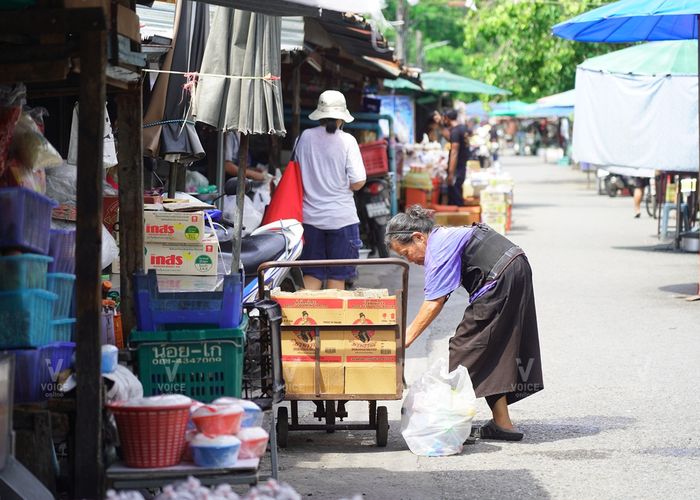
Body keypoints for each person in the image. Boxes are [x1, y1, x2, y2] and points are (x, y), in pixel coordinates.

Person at [385, 206, 543, 441]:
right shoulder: (444, 237)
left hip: (501, 276)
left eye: (406, 252)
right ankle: (503, 424)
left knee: (464, 348)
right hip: (516, 264)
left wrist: (404, 339)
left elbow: (434, 302)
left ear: (418, 237)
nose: (410, 259)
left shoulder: (437, 249)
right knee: (494, 349)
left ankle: (453, 424)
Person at [295, 90, 366, 290]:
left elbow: (298, 174)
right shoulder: (347, 141)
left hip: (310, 219)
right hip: (342, 219)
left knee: (311, 275)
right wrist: (342, 185)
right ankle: (332, 321)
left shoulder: (304, 138)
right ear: (342, 118)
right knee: (337, 278)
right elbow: (359, 181)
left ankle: (307, 320)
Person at [444, 109, 471, 206]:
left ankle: (457, 220)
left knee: (455, 200)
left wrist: (451, 173)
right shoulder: (463, 128)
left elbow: (454, 152)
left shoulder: (455, 131)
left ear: (446, 118)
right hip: (462, 166)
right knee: (458, 193)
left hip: (457, 168)